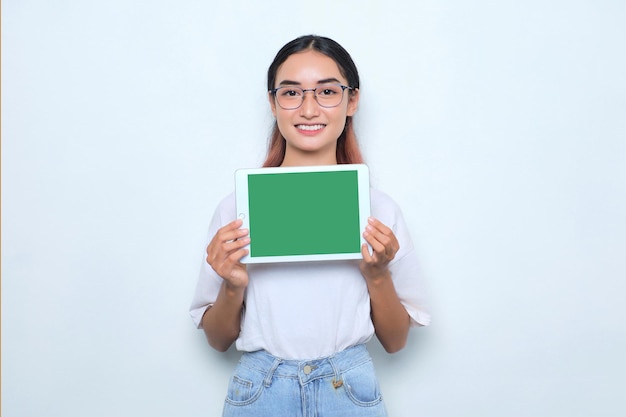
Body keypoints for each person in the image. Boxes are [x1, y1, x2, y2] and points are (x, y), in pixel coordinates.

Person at [190, 34, 430, 417]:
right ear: (272, 103)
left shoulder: (379, 211)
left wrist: (378, 275)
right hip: (261, 391)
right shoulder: (237, 209)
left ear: (352, 100)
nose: (308, 109)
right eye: (291, 93)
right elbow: (218, 340)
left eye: (327, 92)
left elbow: (396, 341)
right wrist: (233, 286)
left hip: (348, 390)